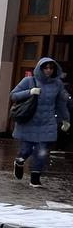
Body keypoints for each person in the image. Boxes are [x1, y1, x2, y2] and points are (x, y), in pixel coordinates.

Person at [10, 56, 70, 187]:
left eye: (51, 68)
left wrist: (65, 120)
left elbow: (61, 103)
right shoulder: (28, 80)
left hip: (47, 122)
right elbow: (13, 95)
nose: (48, 70)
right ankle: (19, 161)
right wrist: (29, 92)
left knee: (41, 151)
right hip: (29, 121)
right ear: (40, 69)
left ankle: (35, 178)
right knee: (26, 150)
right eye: (46, 68)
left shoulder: (57, 84)